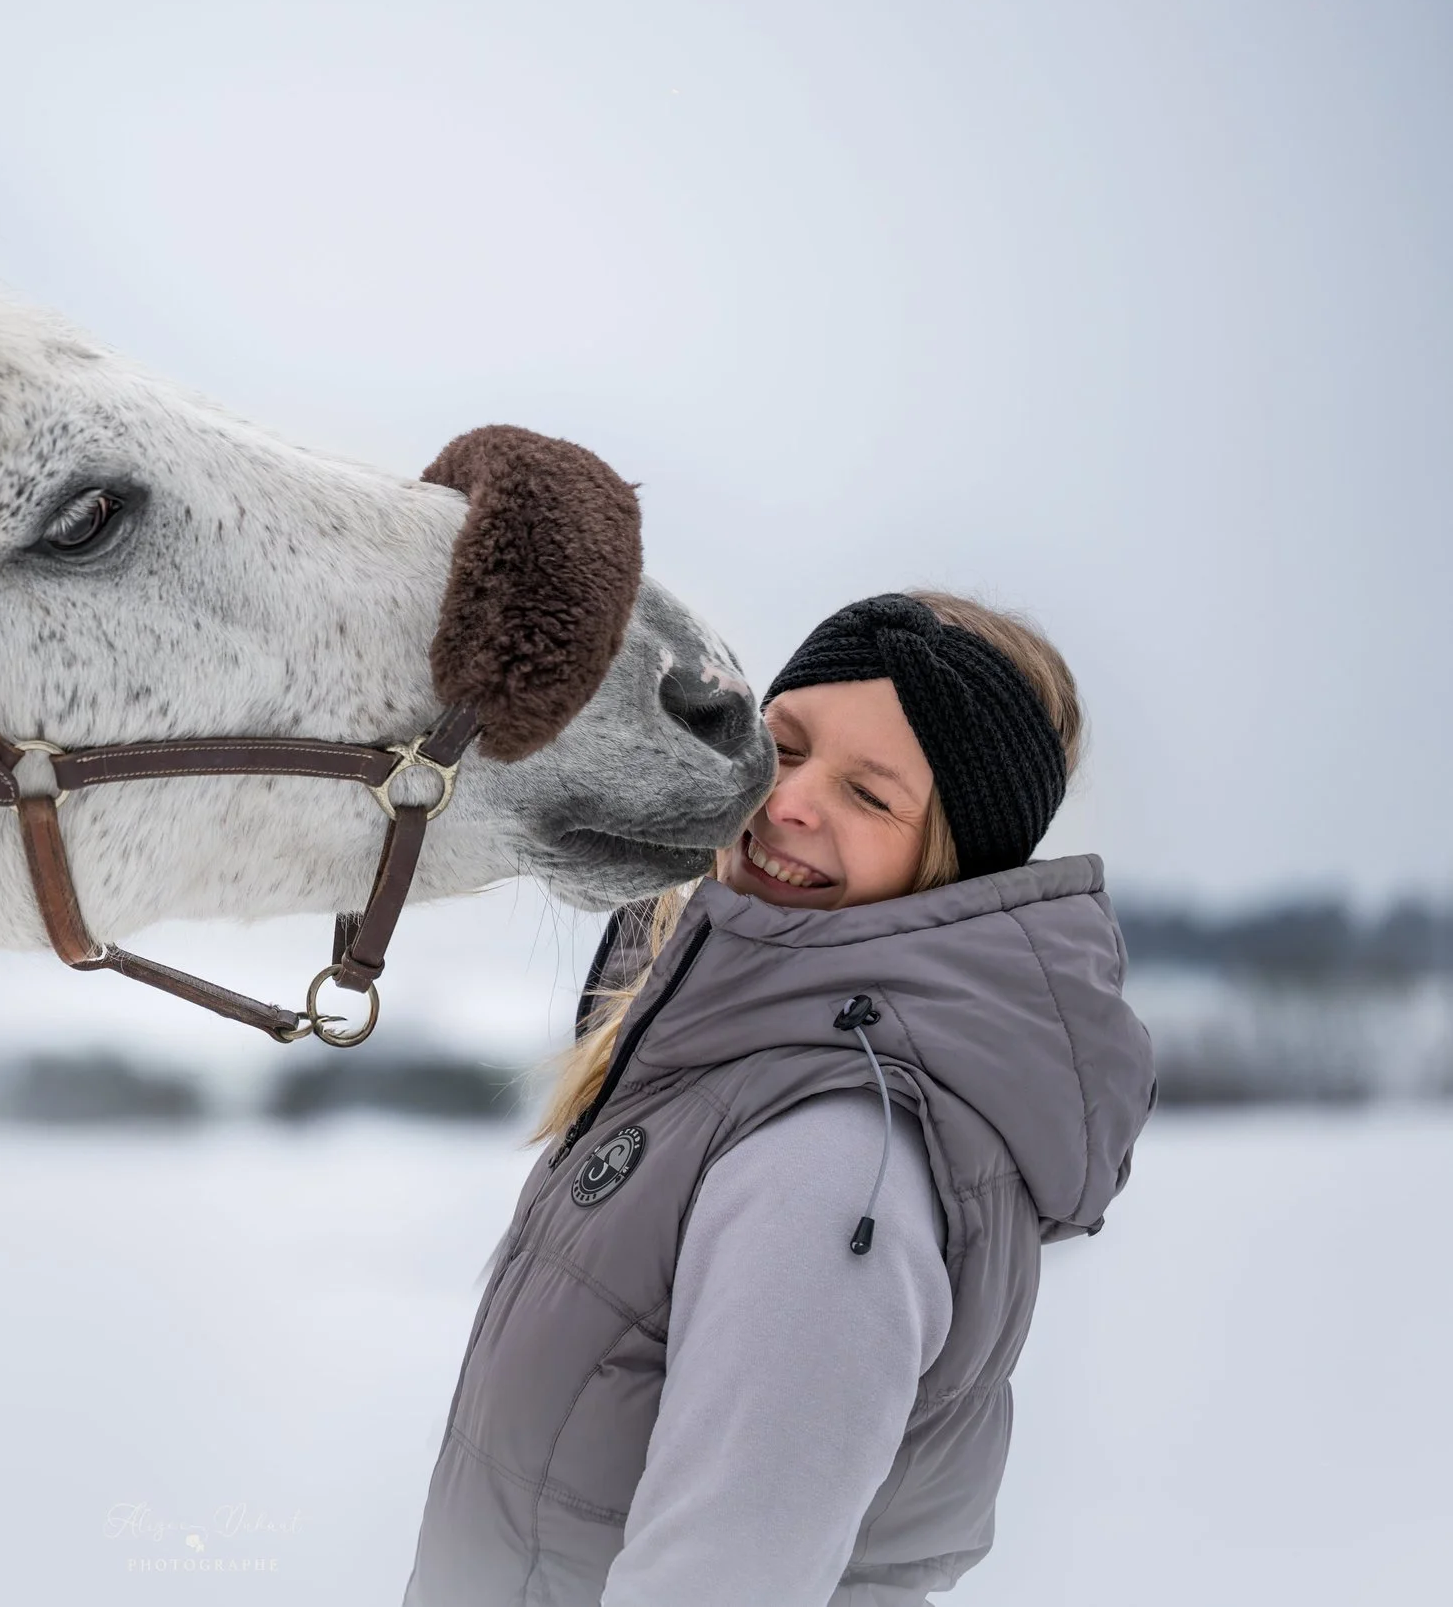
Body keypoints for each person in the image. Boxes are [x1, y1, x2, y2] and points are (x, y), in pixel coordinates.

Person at [401, 590, 1154, 1607]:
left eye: (869, 795)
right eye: (784, 745)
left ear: (949, 863)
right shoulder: (714, 1052)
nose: (791, 801)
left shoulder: (835, 1158)